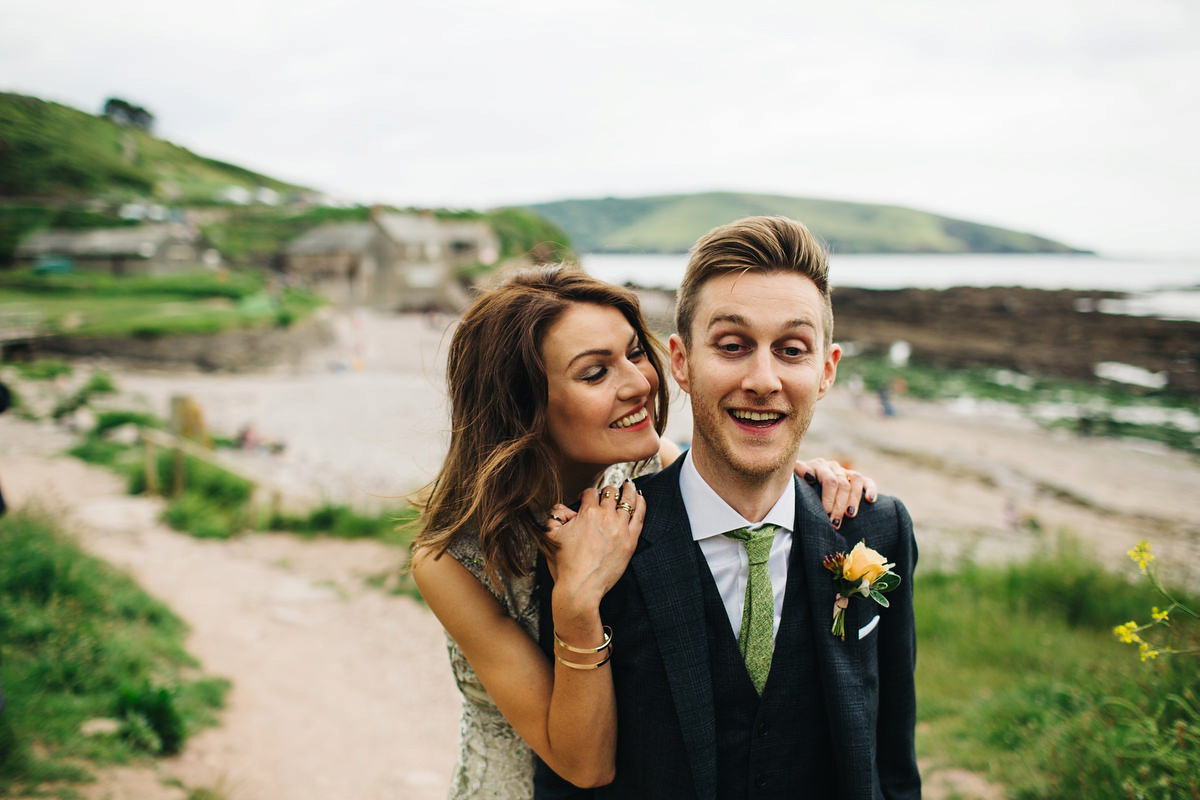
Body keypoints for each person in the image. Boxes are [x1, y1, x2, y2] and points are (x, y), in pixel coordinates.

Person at [410, 266, 879, 800]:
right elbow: (582, 766)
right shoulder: (451, 560)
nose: (639, 383)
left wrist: (808, 479)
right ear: (525, 405)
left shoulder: (646, 462)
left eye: (634, 353)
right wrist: (577, 602)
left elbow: (736, 479)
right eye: (595, 374)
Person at [534, 217, 921, 799]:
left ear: (826, 371)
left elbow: (893, 760)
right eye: (733, 346)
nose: (763, 380)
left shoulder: (879, 527)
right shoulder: (597, 545)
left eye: (791, 350)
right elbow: (569, 784)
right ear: (682, 363)